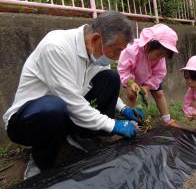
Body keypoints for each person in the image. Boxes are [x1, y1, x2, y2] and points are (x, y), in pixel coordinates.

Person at [3, 11, 145, 179]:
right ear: (96, 40)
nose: (117, 58)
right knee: (53, 107)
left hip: (65, 111)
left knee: (111, 78)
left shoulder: (95, 53)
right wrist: (113, 125)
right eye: (116, 51)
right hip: (27, 121)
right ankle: (41, 159)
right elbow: (71, 103)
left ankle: (81, 137)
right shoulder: (56, 47)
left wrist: (123, 109)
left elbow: (83, 96)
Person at [117, 23, 179, 127]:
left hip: (151, 78)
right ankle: (133, 120)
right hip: (132, 77)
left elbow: (159, 73)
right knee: (132, 95)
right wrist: (130, 82)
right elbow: (123, 68)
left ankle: (167, 119)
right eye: (159, 54)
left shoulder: (159, 58)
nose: (160, 58)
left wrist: (147, 86)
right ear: (148, 45)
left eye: (163, 56)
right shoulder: (132, 50)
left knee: (159, 94)